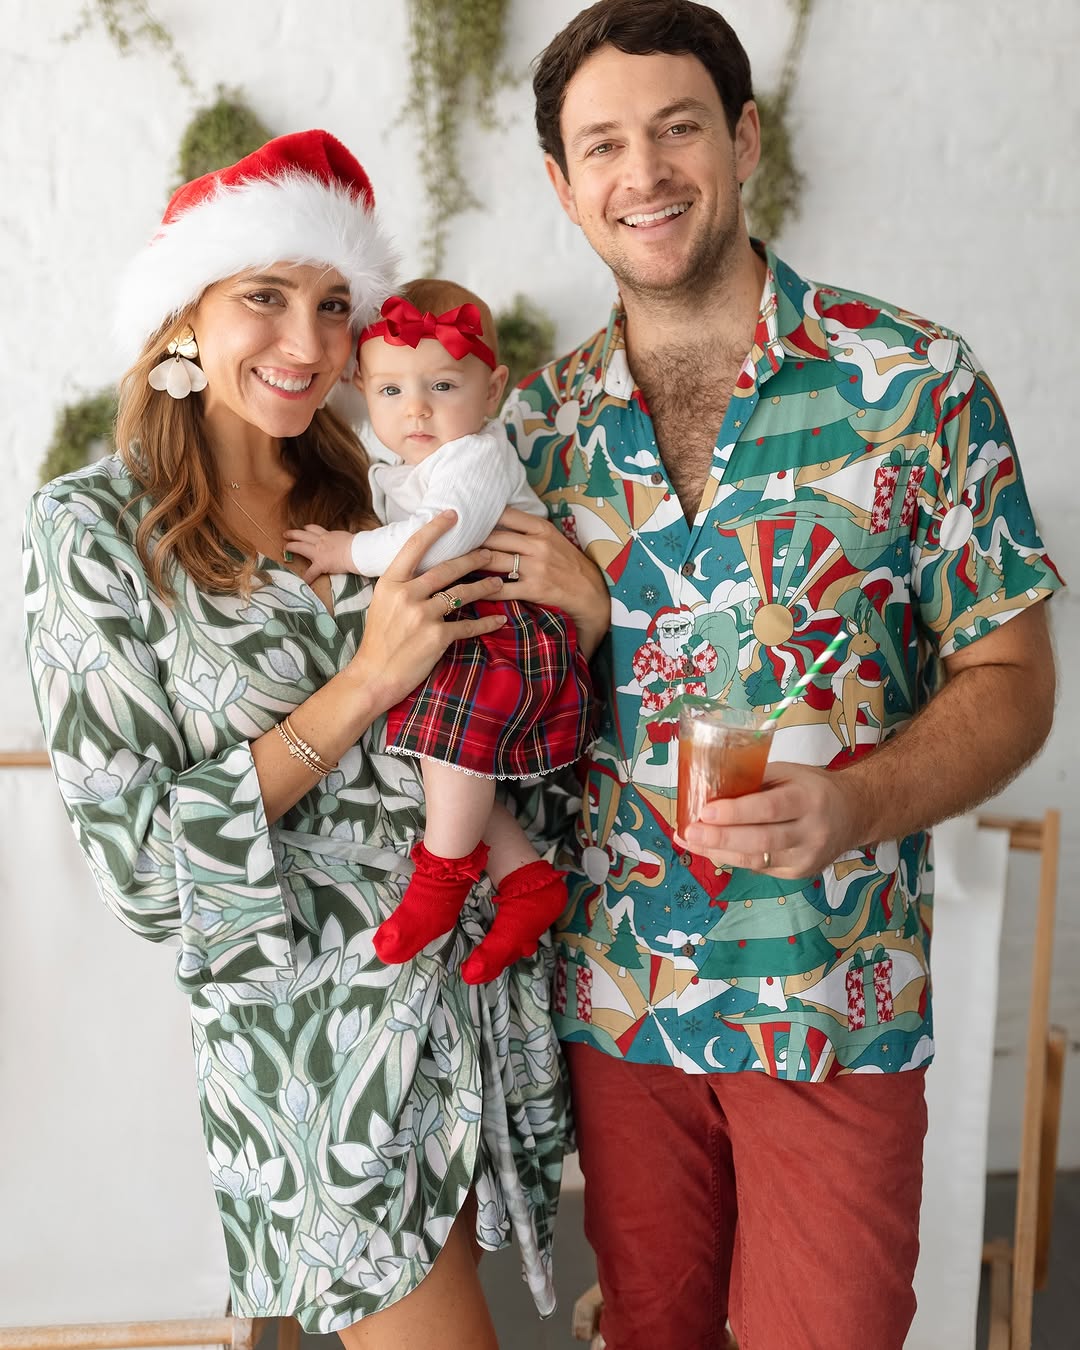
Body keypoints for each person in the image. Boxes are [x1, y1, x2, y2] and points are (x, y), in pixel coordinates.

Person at [504, 4, 1065, 1348]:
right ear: (564, 185)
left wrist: (859, 802)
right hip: (619, 1008)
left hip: (831, 1006)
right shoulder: (532, 432)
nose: (645, 172)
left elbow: (1013, 676)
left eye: (678, 127)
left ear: (744, 138)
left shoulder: (917, 384)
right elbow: (497, 718)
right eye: (604, 145)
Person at [23, 129, 606, 1347]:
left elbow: (524, 750)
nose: (305, 341)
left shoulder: (393, 490)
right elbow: (144, 871)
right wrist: (362, 684)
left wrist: (583, 631)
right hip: (320, 1055)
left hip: (483, 1005)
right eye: (265, 296)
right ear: (186, 313)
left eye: (335, 304)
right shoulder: (93, 531)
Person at [285, 279, 594, 987]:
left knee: (451, 751)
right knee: (447, 758)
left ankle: (443, 877)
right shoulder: (403, 461)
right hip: (469, 622)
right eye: (391, 390)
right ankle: (525, 880)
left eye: (443, 385)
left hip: (505, 625)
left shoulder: (474, 456)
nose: (416, 408)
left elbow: (435, 542)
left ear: (492, 390)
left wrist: (345, 551)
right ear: (362, 389)